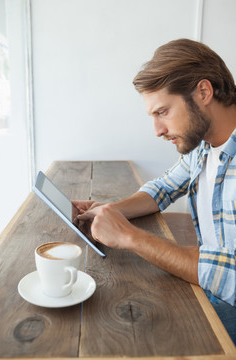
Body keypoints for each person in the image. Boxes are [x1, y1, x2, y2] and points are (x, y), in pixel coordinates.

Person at [72, 39, 236, 344]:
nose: (157, 130)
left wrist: (130, 237)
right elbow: (162, 188)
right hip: (210, 288)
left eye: (163, 112)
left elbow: (232, 279)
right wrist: (110, 211)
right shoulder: (203, 146)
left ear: (203, 92)